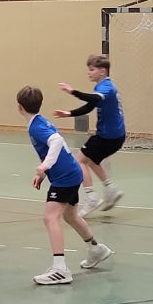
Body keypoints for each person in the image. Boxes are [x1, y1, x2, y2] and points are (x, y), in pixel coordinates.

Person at [18, 85, 113, 285]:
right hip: (71, 172)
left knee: (50, 218)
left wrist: (44, 167)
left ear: (19, 107)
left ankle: (60, 269)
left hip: (65, 177)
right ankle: (96, 249)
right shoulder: (40, 121)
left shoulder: (36, 127)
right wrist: (45, 173)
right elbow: (53, 148)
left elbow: (56, 141)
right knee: (70, 215)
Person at [54, 54, 126, 217]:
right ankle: (110, 189)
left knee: (79, 160)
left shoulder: (107, 88)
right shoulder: (102, 86)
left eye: (92, 69)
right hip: (114, 136)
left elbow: (92, 99)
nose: (89, 72)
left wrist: (72, 91)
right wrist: (69, 113)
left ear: (102, 71)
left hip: (108, 136)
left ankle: (91, 197)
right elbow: (90, 106)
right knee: (92, 160)